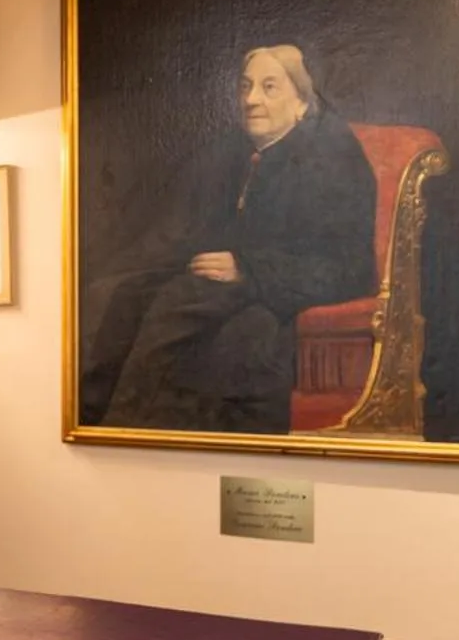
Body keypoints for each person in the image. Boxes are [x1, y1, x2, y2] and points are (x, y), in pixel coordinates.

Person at [79, 44, 376, 433]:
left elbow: (348, 267)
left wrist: (248, 269)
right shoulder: (229, 151)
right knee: (117, 296)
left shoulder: (333, 159)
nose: (251, 100)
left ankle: (132, 432)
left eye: (270, 88)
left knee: (195, 319)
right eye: (246, 86)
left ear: (303, 103)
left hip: (279, 296)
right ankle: (100, 429)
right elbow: (180, 231)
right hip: (214, 287)